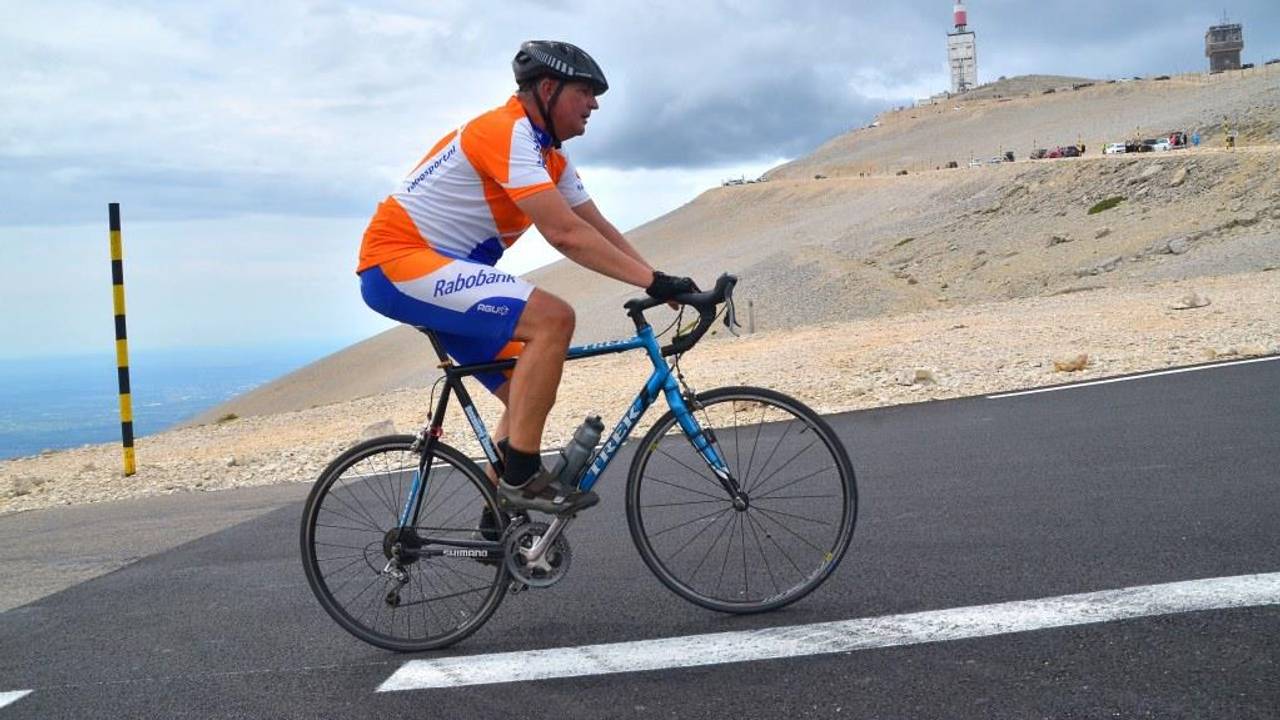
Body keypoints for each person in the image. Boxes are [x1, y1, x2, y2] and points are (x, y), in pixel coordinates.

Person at [356, 40, 698, 517]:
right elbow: (564, 234)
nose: (595, 104)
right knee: (553, 319)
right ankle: (521, 477)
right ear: (548, 88)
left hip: (439, 271)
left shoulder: (548, 155)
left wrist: (661, 281)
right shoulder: (505, 131)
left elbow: (596, 228)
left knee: (526, 388)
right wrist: (651, 282)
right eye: (585, 91)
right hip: (396, 262)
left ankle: (498, 525)